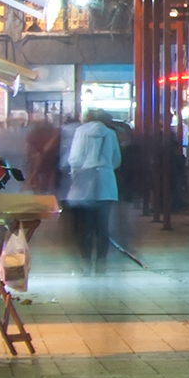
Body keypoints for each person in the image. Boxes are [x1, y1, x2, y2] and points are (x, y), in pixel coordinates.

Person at [62, 114, 122, 269]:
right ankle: (101, 260)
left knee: (86, 226)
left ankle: (86, 258)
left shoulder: (80, 132)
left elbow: (75, 158)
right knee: (103, 225)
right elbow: (117, 159)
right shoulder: (110, 133)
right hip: (106, 182)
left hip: (84, 183)